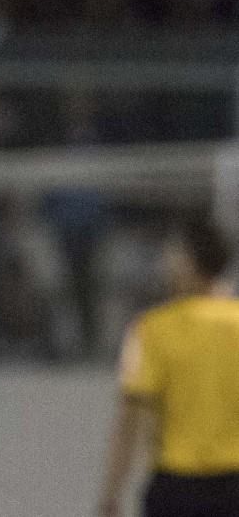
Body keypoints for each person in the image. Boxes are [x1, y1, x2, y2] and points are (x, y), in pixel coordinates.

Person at [97, 217, 239, 517]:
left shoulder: (151, 330)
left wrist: (111, 494)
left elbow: (128, 425)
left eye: (172, 253)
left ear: (189, 261)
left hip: (177, 486)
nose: (165, 261)